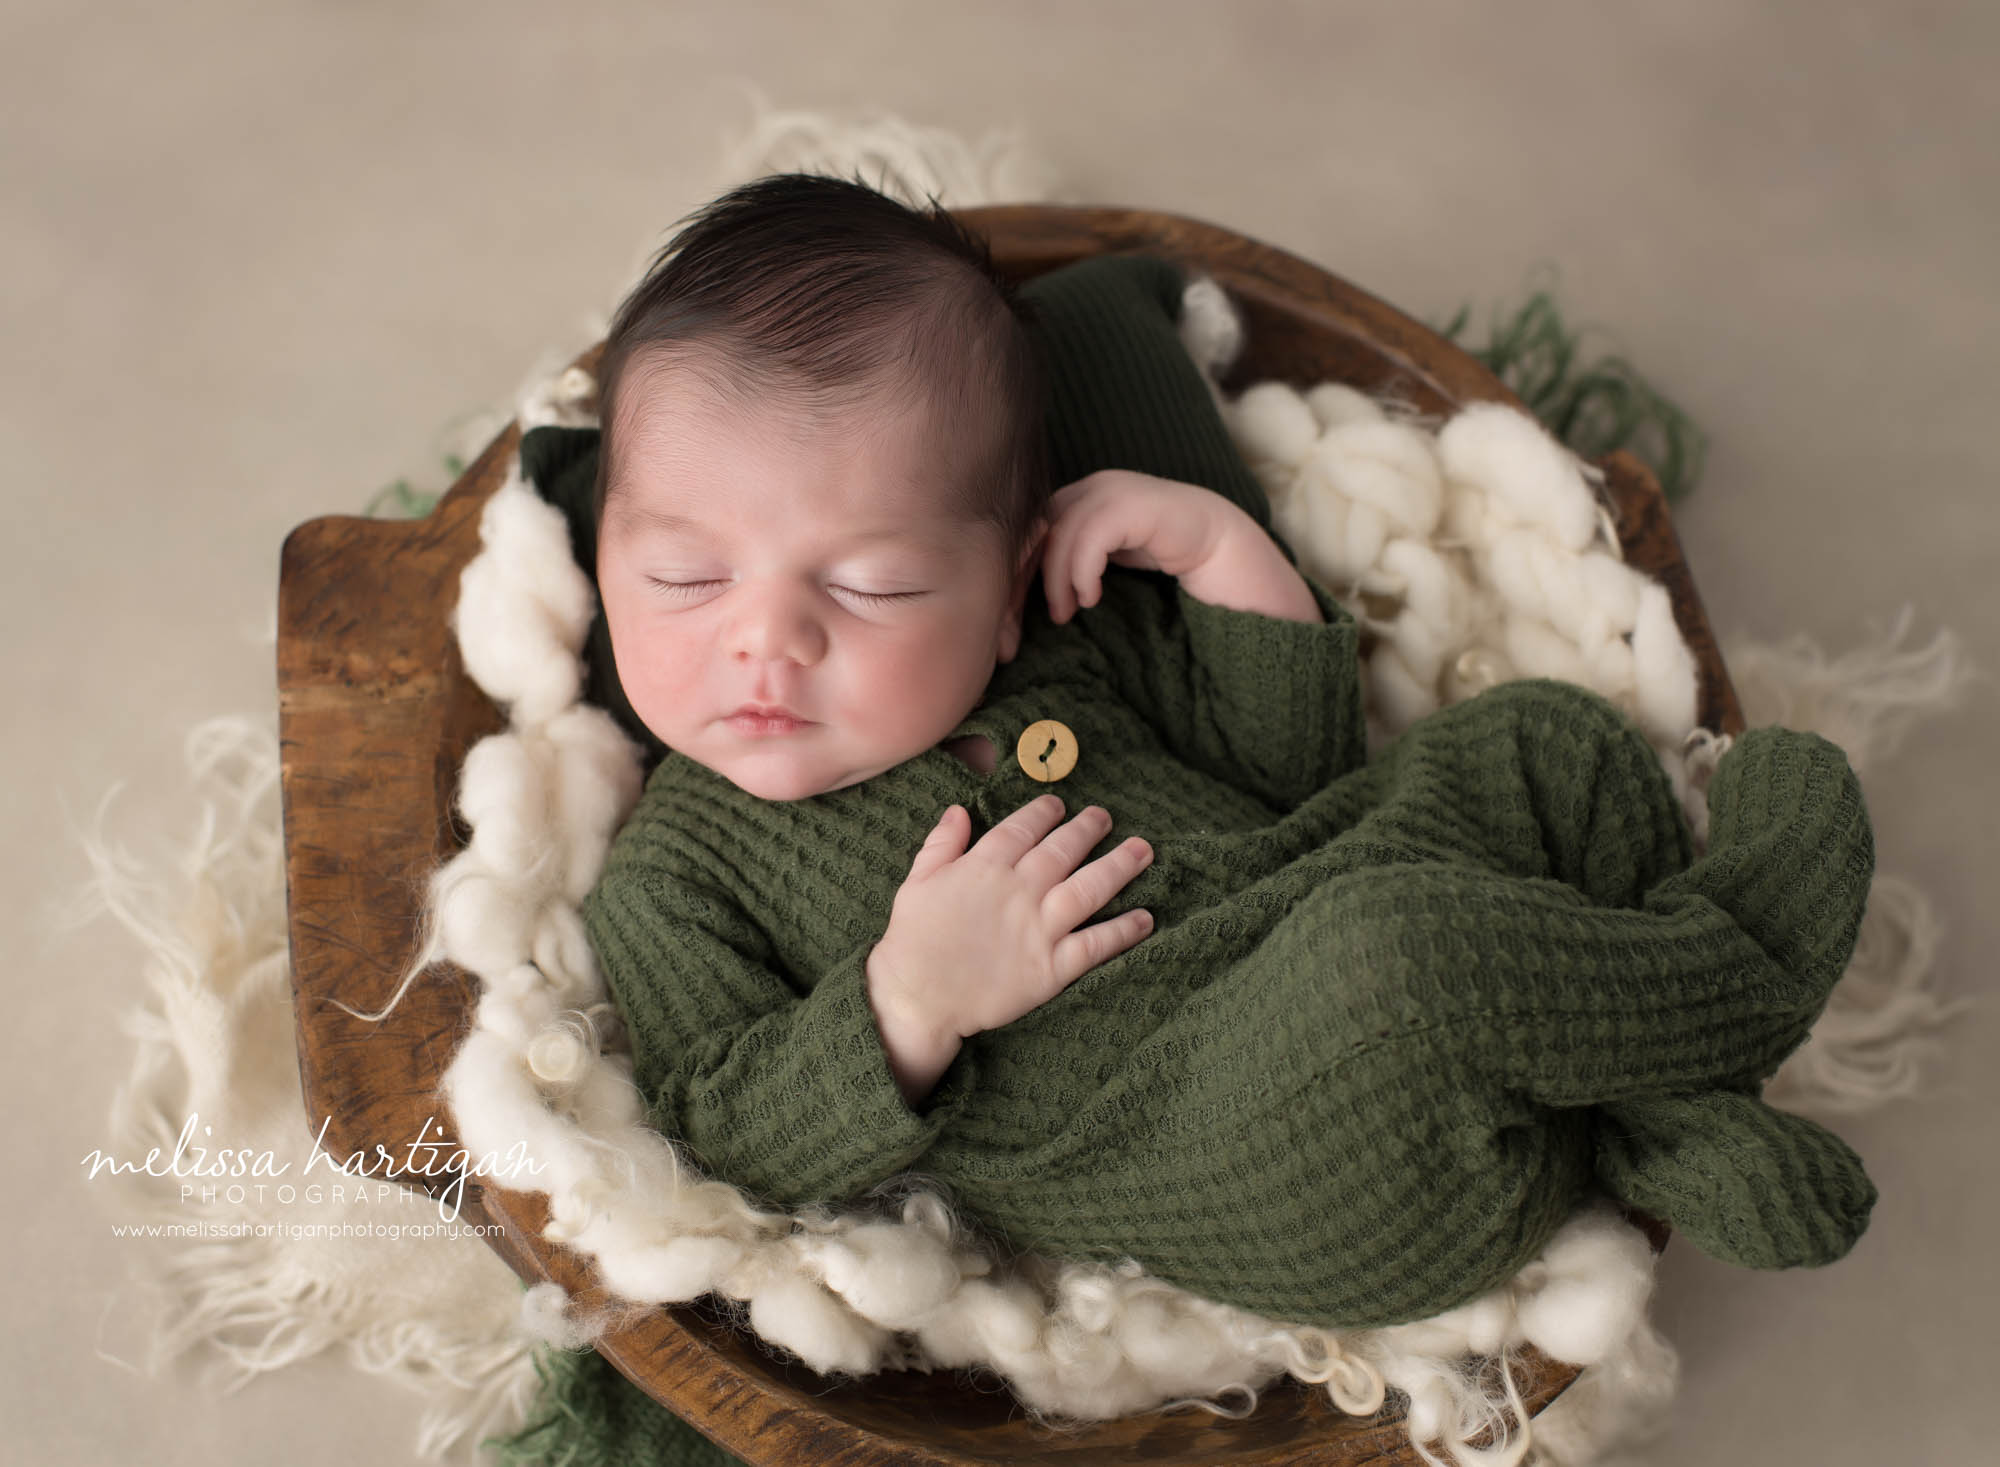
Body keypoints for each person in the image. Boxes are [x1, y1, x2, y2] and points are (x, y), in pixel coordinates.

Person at [557, 170, 1877, 1334]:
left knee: (1547, 743)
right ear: (608, 563)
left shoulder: (1068, 650)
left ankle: (1670, 1120)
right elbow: (712, 1132)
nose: (766, 643)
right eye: (681, 577)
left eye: (874, 587)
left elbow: (1294, 779)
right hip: (1262, 1160)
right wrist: (909, 1003)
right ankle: (1743, 969)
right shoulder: (679, 869)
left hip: (1361, 941)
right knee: (1398, 956)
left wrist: (1213, 548)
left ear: (1006, 586)